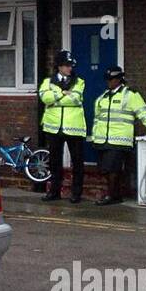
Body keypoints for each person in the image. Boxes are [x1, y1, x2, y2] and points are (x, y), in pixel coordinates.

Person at [91, 65, 146, 205]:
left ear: (119, 80)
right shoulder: (103, 97)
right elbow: (97, 119)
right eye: (108, 79)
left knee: (112, 169)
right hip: (102, 139)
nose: (109, 82)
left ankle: (112, 196)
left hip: (119, 140)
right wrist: (94, 137)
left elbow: (144, 112)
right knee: (105, 169)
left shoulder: (130, 95)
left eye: (112, 79)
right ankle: (116, 195)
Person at [38, 49, 87, 203]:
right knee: (54, 162)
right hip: (53, 127)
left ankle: (76, 193)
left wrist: (56, 98)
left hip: (74, 126)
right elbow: (45, 98)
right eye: (66, 65)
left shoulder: (79, 81)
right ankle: (54, 192)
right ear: (59, 66)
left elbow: (76, 99)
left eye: (71, 65)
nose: (69, 68)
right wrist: (62, 94)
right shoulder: (48, 81)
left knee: (77, 161)